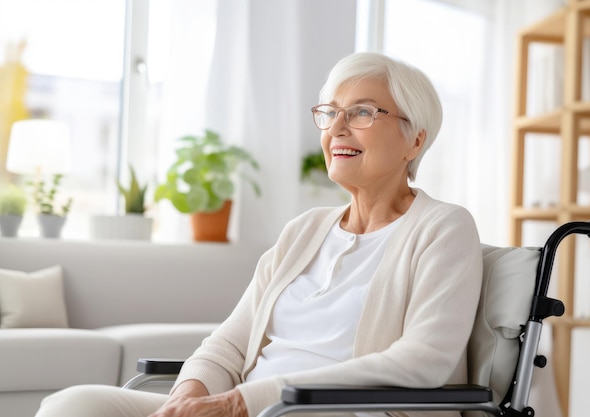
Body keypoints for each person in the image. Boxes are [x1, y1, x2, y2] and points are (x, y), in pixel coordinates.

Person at [35, 52, 482, 417]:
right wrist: (187, 399)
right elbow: (229, 342)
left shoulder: (444, 228)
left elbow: (424, 361)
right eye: (330, 114)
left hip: (337, 411)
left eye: (363, 112)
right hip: (252, 409)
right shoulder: (304, 230)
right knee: (74, 404)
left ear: (415, 140)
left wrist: (239, 403)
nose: (337, 128)